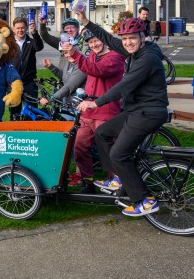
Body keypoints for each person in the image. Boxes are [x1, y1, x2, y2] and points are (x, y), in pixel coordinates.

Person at [74, 12, 169, 217]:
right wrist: (86, 21)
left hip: (148, 113)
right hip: (137, 110)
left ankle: (144, 200)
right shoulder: (134, 52)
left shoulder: (148, 58)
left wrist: (96, 102)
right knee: (103, 133)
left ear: (142, 37)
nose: (127, 42)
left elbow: (125, 85)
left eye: (132, 38)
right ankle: (117, 177)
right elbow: (109, 39)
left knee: (119, 154)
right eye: (125, 39)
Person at [60, 34, 124, 192]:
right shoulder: (93, 55)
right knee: (80, 147)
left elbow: (97, 71)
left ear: (104, 40)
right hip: (87, 112)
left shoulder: (115, 57)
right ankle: (88, 181)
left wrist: (75, 53)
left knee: (109, 151)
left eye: (96, 41)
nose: (94, 44)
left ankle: (116, 182)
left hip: (106, 112)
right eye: (90, 42)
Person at [10, 16, 44, 117]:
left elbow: (39, 47)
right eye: (18, 28)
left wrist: (34, 32)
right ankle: (15, 132)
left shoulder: (31, 42)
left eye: (22, 28)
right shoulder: (9, 44)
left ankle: (31, 132)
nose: (20, 30)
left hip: (29, 83)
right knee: (14, 112)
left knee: (32, 111)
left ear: (26, 28)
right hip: (14, 83)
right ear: (13, 29)